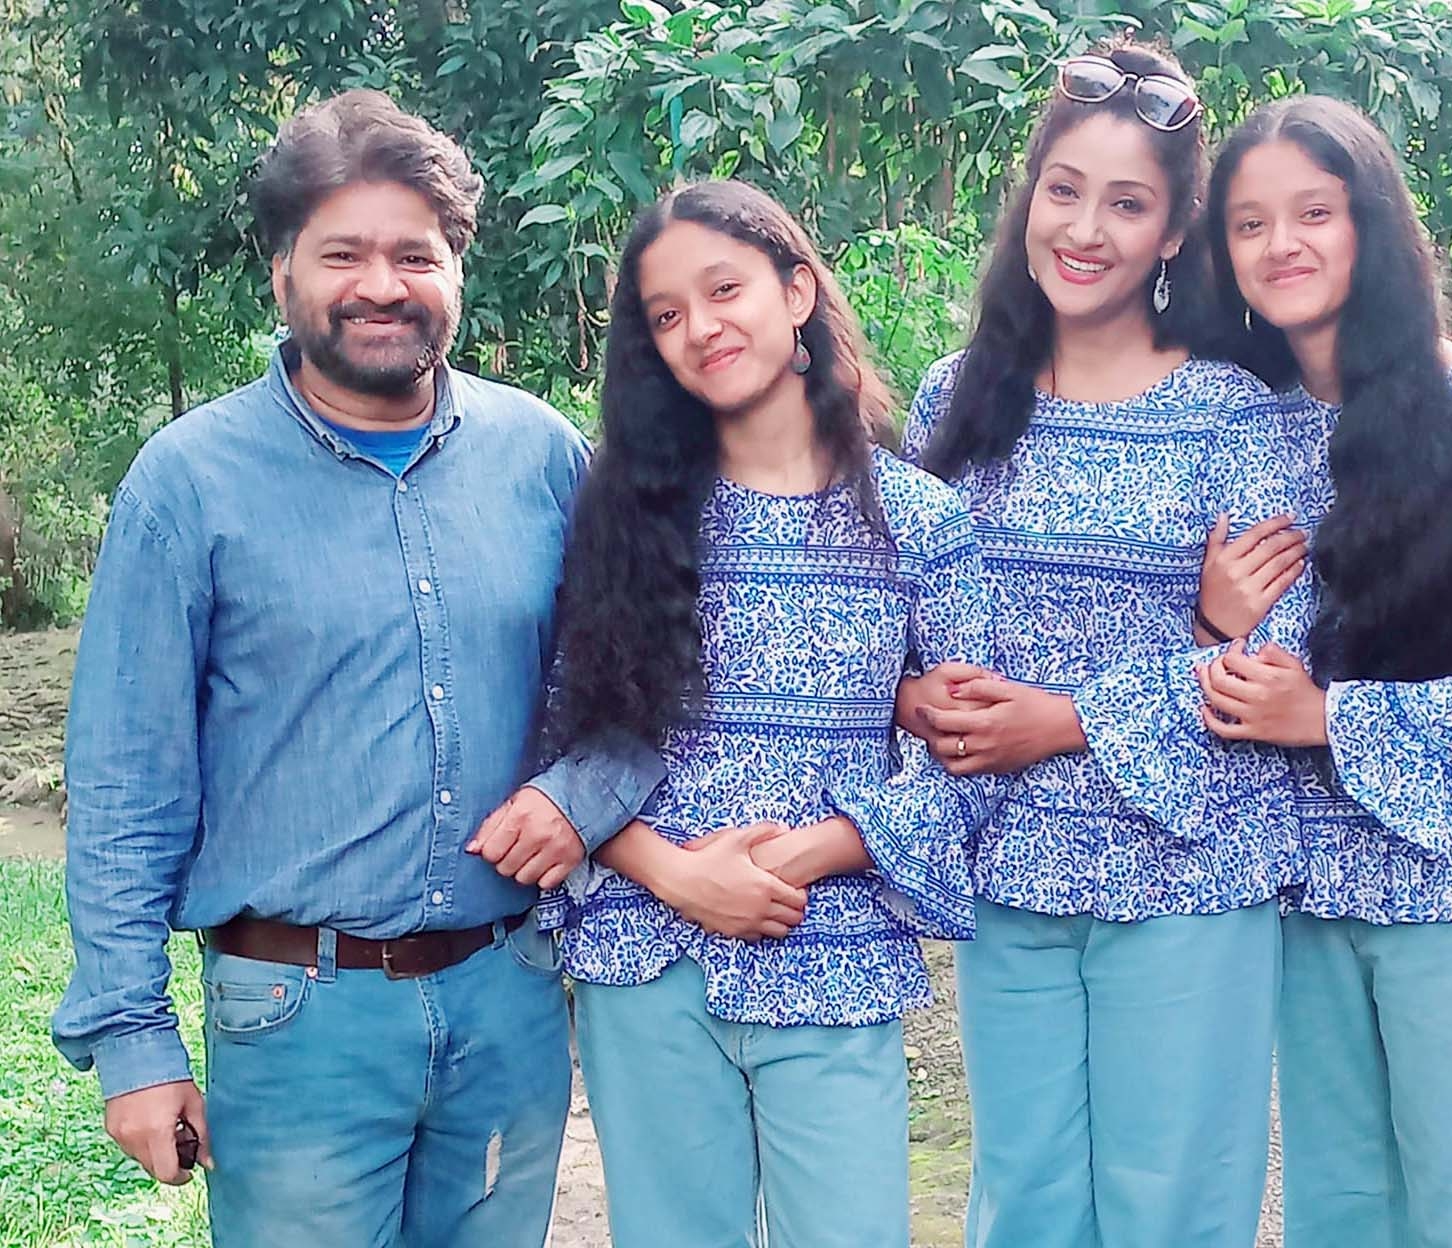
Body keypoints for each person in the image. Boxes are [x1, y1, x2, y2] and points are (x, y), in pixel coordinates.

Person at [50, 89, 661, 1247]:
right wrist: (132, 1042)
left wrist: (577, 803)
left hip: (509, 1000)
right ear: (282, 273)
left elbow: (634, 688)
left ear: (457, 272)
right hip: (295, 1021)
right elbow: (127, 779)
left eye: (413, 255)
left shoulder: (538, 456)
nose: (381, 284)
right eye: (343, 253)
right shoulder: (189, 484)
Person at [897, 39, 1304, 1248]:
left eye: (1127, 202)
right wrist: (914, 693)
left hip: (1190, 869)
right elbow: (898, 623)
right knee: (1020, 1203)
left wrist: (1060, 718)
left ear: (1175, 229)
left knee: (1168, 1208)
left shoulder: (1236, 411)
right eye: (1062, 190)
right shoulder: (957, 398)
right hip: (1006, 868)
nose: (1084, 228)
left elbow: (1272, 664)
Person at [538, 179, 992, 1248]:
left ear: (795, 292)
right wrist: (677, 874)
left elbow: (965, 762)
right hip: (645, 960)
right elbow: (568, 744)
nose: (698, 328)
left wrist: (812, 855)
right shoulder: (623, 519)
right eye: (663, 316)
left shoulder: (918, 520)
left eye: (722, 289)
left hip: (828, 953)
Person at [1198, 94, 1452, 1248]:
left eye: (1313, 212)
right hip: (1301, 878)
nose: (1282, 246)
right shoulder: (1244, 419)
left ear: (1368, 221)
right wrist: (1205, 621)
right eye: (1248, 224)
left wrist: (1332, 718)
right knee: (1337, 1210)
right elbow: (1226, 651)